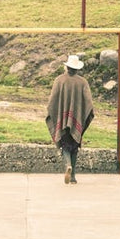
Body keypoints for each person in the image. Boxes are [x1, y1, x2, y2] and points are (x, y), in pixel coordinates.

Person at [46, 54, 94, 184]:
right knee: (74, 146)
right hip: (76, 118)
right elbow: (89, 102)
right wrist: (82, 114)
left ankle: (67, 165)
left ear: (67, 67)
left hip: (62, 119)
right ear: (77, 68)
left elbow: (52, 101)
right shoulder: (83, 82)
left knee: (65, 145)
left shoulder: (59, 80)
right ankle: (72, 177)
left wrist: (56, 114)